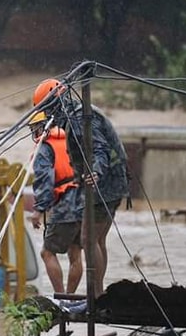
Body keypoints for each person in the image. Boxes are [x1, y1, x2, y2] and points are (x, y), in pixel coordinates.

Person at [33, 78, 129, 295]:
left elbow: (99, 149)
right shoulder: (76, 115)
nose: (47, 116)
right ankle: (99, 294)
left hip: (105, 183)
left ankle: (96, 296)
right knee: (96, 238)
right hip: (113, 180)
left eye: (47, 110)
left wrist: (96, 171)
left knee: (88, 238)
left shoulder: (78, 118)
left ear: (55, 105)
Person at [27, 111, 84, 295]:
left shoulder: (44, 149)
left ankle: (61, 298)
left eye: (35, 128)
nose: (34, 132)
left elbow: (45, 180)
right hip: (83, 202)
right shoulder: (70, 140)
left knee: (47, 252)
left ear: (43, 127)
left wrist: (38, 210)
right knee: (75, 253)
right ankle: (70, 297)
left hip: (65, 205)